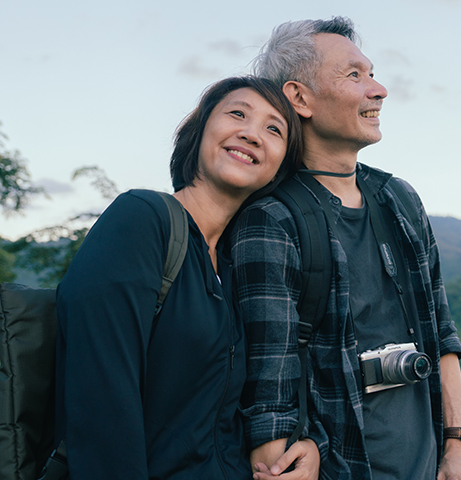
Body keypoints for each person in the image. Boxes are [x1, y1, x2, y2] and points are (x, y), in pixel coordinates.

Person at [231, 17, 461, 480]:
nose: (379, 89)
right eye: (354, 75)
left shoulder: (399, 198)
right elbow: (269, 394)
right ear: (299, 98)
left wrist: (457, 445)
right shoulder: (272, 219)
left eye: (372, 72)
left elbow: (441, 333)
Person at [54, 76, 320, 479]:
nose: (251, 134)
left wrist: (306, 448)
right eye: (237, 113)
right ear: (199, 132)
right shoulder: (141, 220)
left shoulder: (235, 265)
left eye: (273, 129)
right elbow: (100, 404)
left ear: (280, 166)